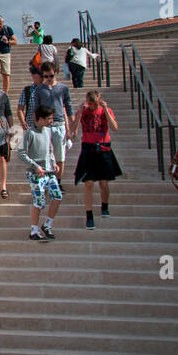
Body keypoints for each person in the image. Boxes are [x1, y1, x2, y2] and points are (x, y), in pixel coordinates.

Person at [17, 62, 75, 185]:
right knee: (45, 154)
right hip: (44, 125)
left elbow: (67, 106)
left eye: (51, 76)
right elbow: (37, 108)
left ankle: (58, 182)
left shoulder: (63, 88)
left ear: (55, 73)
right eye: (45, 76)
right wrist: (35, 124)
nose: (48, 79)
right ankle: (48, 180)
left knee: (60, 156)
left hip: (58, 123)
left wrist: (71, 124)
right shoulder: (39, 89)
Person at [72, 90, 121, 229]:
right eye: (90, 103)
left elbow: (114, 127)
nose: (92, 106)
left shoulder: (106, 110)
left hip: (104, 148)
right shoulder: (84, 111)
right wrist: (80, 113)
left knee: (104, 183)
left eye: (94, 103)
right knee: (88, 183)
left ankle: (104, 206)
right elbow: (72, 128)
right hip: (88, 149)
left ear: (99, 99)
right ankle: (89, 215)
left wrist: (104, 109)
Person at [19, 105, 62, 241]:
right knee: (39, 202)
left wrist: (53, 162)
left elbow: (49, 149)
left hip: (48, 172)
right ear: (41, 118)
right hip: (35, 173)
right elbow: (21, 153)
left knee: (57, 196)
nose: (51, 121)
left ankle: (47, 225)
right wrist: (35, 166)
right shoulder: (30, 133)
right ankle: (34, 230)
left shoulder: (48, 131)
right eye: (49, 119)